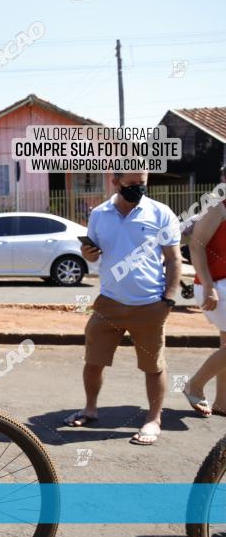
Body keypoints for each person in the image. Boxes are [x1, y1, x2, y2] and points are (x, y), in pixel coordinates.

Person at [65, 171, 181, 446]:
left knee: (153, 367)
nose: (138, 189)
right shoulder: (99, 214)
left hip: (149, 304)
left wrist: (169, 300)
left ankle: (154, 419)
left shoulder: (161, 213)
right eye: (131, 184)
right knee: (93, 361)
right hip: (109, 302)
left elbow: (174, 260)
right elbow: (92, 251)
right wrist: (87, 254)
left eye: (142, 183)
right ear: (115, 181)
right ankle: (90, 409)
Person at [185, 191, 226, 417]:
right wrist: (209, 286)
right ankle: (195, 384)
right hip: (216, 286)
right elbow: (196, 246)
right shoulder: (217, 206)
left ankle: (222, 402)